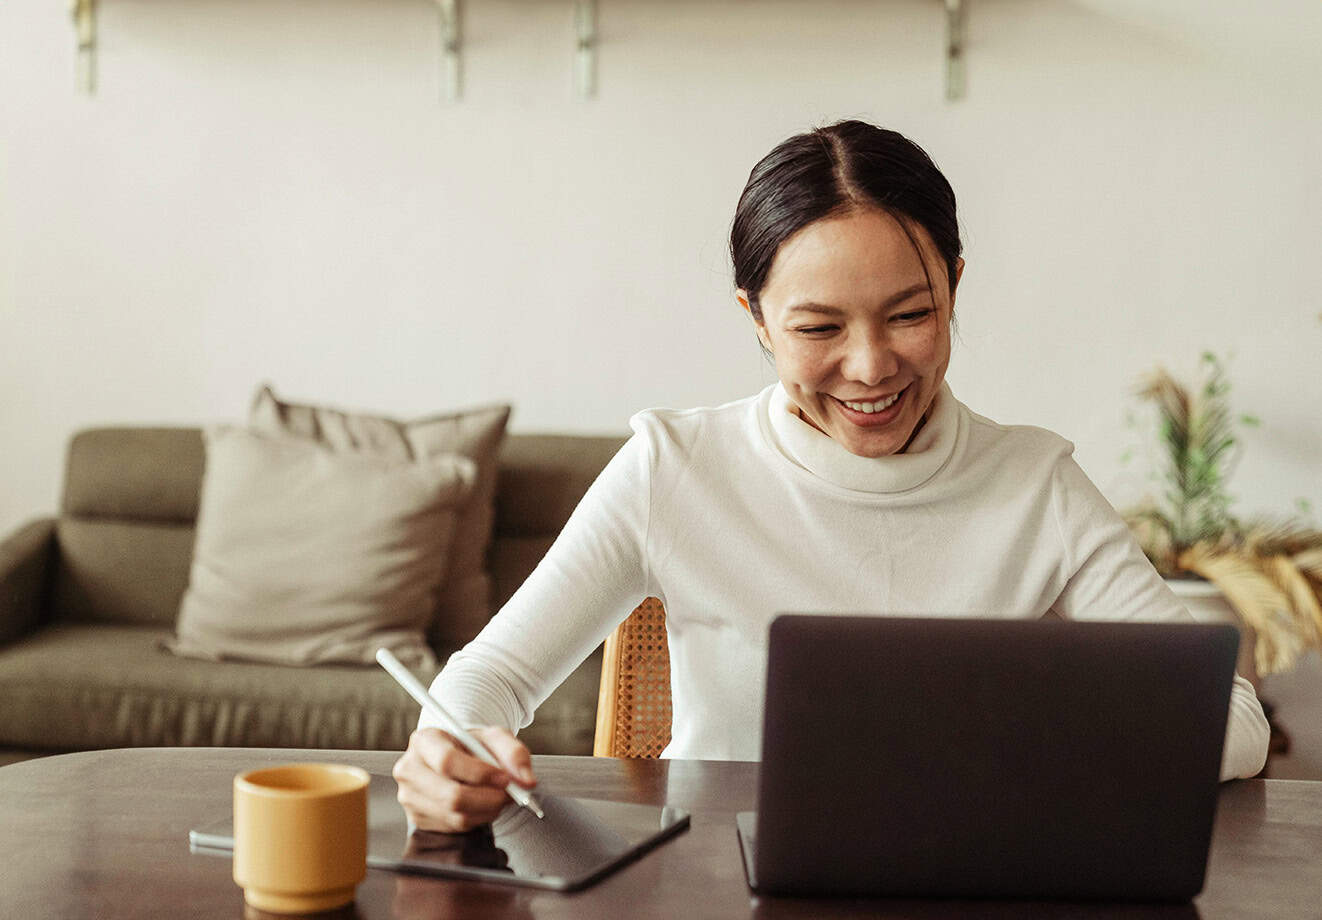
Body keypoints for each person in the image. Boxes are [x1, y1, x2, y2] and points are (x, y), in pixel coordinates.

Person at [392, 120, 1271, 832]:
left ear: (954, 289)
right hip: (715, 882)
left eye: (911, 314)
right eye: (817, 329)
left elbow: (1233, 718)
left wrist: (1048, 745)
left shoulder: (1035, 483)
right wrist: (448, 749)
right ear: (758, 321)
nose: (870, 367)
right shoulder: (675, 468)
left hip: (968, 882)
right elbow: (489, 677)